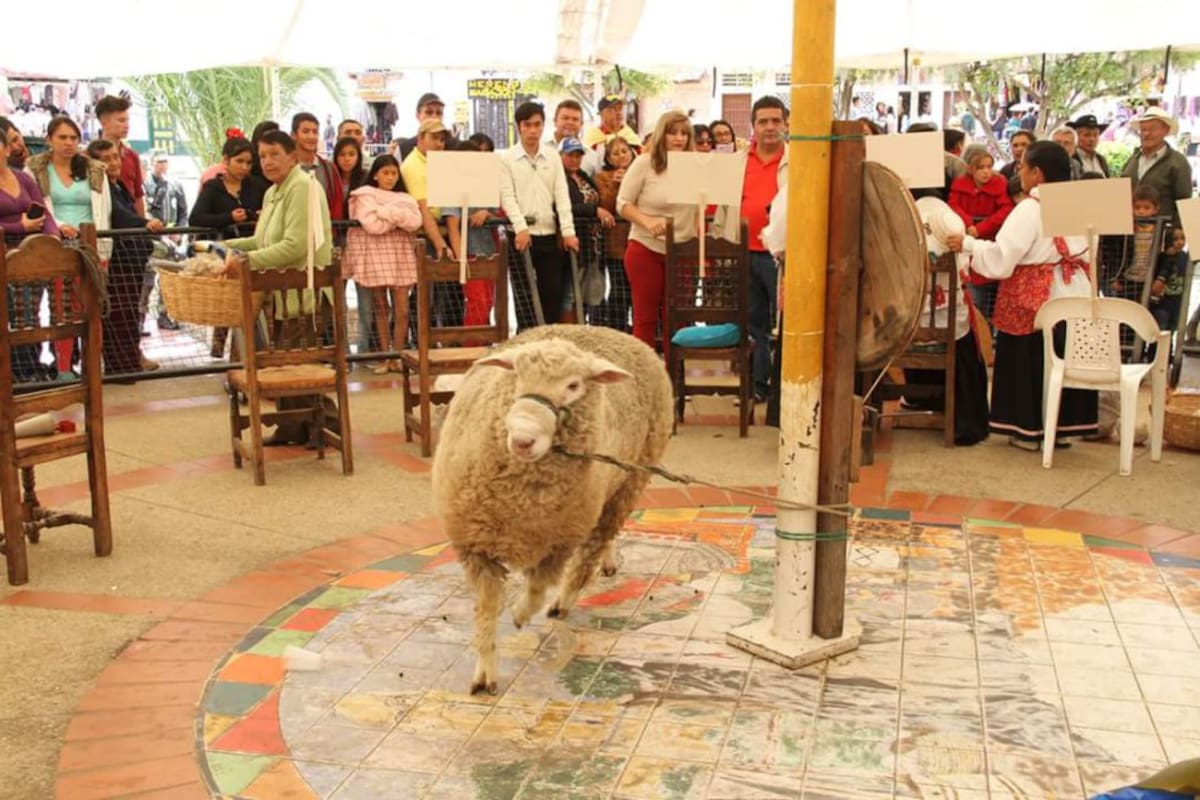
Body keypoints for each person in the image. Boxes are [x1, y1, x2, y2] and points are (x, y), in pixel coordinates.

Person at [948, 141, 1097, 449]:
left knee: (1031, 357)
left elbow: (1003, 257)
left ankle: (1029, 429)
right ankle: (1060, 427)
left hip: (1036, 295)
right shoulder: (1079, 203)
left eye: (1024, 167)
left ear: (1037, 173)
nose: (1021, 172)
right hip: (1075, 290)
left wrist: (968, 245)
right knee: (1061, 357)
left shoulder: (1030, 209)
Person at [223, 130, 334, 446]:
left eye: (274, 154)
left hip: (305, 290)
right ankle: (294, 426)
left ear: (293, 156)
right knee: (286, 359)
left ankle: (327, 425)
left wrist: (244, 260)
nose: (267, 161)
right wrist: (223, 246)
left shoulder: (303, 187)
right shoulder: (274, 191)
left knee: (296, 363)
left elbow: (295, 246)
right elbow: (261, 240)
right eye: (263, 156)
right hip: (281, 290)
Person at [26, 116, 113, 375]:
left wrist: (103, 244)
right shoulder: (36, 169)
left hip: (91, 245)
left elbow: (103, 208)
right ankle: (63, 368)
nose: (68, 143)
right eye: (62, 137)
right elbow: (36, 206)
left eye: (73, 138)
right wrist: (59, 224)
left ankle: (92, 367)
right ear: (49, 139)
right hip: (56, 246)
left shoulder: (95, 169)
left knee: (91, 309)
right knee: (61, 309)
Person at [717, 96, 789, 402]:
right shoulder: (736, 162)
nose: (770, 127)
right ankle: (757, 387)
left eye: (776, 120)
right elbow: (722, 205)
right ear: (753, 126)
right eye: (763, 121)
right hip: (743, 252)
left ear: (786, 123)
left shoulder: (798, 161)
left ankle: (786, 391)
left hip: (782, 256)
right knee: (752, 323)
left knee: (788, 325)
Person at [616, 110, 697, 354]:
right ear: (662, 135)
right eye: (673, 133)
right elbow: (622, 203)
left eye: (684, 133)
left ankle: (674, 377)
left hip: (682, 251)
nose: (679, 138)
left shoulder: (696, 167)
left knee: (678, 319)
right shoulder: (644, 163)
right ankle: (645, 377)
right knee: (646, 318)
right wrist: (647, 221)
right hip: (646, 249)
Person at [499, 101, 579, 331]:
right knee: (523, 294)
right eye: (527, 125)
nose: (533, 130)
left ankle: (549, 343)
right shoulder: (506, 158)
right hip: (521, 235)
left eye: (537, 124)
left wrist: (568, 232)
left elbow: (561, 195)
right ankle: (526, 341)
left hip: (549, 233)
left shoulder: (553, 156)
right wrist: (520, 227)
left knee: (552, 291)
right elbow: (508, 196)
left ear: (544, 125)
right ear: (519, 127)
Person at [86, 138, 163, 376]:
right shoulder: (102, 188)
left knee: (130, 311)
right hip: (118, 258)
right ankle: (120, 365)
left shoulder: (118, 186)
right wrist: (145, 223)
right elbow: (119, 217)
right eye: (105, 159)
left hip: (132, 257)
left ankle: (129, 359)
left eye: (114, 157)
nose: (112, 163)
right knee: (119, 312)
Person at [343, 154, 422, 374]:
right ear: (375, 175)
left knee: (402, 309)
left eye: (393, 173)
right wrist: (397, 218)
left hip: (401, 256)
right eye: (385, 173)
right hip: (375, 257)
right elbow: (371, 225)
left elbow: (415, 222)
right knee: (380, 307)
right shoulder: (363, 195)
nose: (390, 177)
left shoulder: (406, 197)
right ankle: (385, 356)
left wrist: (385, 212)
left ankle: (398, 355)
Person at [0, 129, 60, 382]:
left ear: (5, 149)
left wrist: (53, 240)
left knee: (30, 314)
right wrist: (19, 227)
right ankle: (16, 373)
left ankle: (32, 369)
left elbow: (44, 213)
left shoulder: (23, 179)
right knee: (11, 315)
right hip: (4, 255)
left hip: (31, 254)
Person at [950, 145, 1014, 321]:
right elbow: (954, 205)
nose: (986, 172)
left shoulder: (1000, 183)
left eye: (989, 166)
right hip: (967, 238)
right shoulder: (960, 184)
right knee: (972, 289)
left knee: (990, 290)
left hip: (990, 238)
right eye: (981, 167)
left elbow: (1005, 209)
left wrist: (981, 228)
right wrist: (969, 224)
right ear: (971, 169)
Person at [560, 136, 616, 323]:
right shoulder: (559, 178)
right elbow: (564, 206)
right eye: (570, 155)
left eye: (578, 155)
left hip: (592, 244)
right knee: (570, 293)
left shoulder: (583, 176)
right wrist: (594, 210)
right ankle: (568, 334)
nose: (575, 159)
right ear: (561, 155)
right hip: (572, 242)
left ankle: (581, 331)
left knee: (586, 292)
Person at [592, 136, 636, 333]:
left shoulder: (640, 171)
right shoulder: (601, 177)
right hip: (615, 242)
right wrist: (617, 184)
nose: (621, 156)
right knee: (619, 288)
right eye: (615, 153)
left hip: (637, 237)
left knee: (638, 289)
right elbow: (606, 206)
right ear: (608, 158)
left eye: (624, 151)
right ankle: (617, 326)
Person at [1121, 107, 1192, 225]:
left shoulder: (1178, 162)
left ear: (1166, 130)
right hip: (1131, 233)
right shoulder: (1133, 160)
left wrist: (1176, 231)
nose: (1146, 134)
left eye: (1152, 129)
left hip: (1162, 232)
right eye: (1143, 129)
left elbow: (1184, 202)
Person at [95, 95, 145, 215]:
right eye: (121, 120)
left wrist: (142, 227)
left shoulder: (132, 156)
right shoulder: (88, 156)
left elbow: (138, 196)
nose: (126, 125)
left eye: (127, 120)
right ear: (104, 122)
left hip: (129, 223)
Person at [291, 112, 344, 220]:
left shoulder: (329, 168)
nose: (311, 136)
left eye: (315, 132)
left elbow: (337, 203)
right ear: (294, 135)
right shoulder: (286, 168)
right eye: (306, 132)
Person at [548, 100, 600, 176]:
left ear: (581, 124)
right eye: (565, 118)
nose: (570, 122)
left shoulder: (592, 156)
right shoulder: (541, 150)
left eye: (575, 119)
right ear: (555, 121)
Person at [396, 93, 447, 161]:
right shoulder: (403, 150)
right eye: (429, 112)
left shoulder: (455, 147)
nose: (434, 117)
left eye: (439, 113)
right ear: (418, 115)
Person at [143, 153, 188, 227]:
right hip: (154, 230)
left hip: (173, 230)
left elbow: (183, 211)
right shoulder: (145, 183)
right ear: (152, 163)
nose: (163, 165)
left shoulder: (176, 184)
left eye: (165, 162)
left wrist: (179, 230)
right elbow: (145, 211)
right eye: (160, 162)